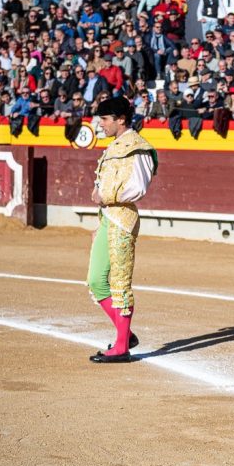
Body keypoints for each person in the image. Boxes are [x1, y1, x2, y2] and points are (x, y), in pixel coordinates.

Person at [86, 97, 158, 363]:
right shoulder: (115, 146)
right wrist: (100, 220)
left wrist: (105, 196)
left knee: (119, 283)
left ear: (120, 120)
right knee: (95, 281)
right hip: (107, 219)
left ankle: (121, 347)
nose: (100, 124)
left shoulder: (137, 147)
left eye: (105, 119)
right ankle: (124, 334)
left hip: (123, 220)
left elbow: (139, 187)